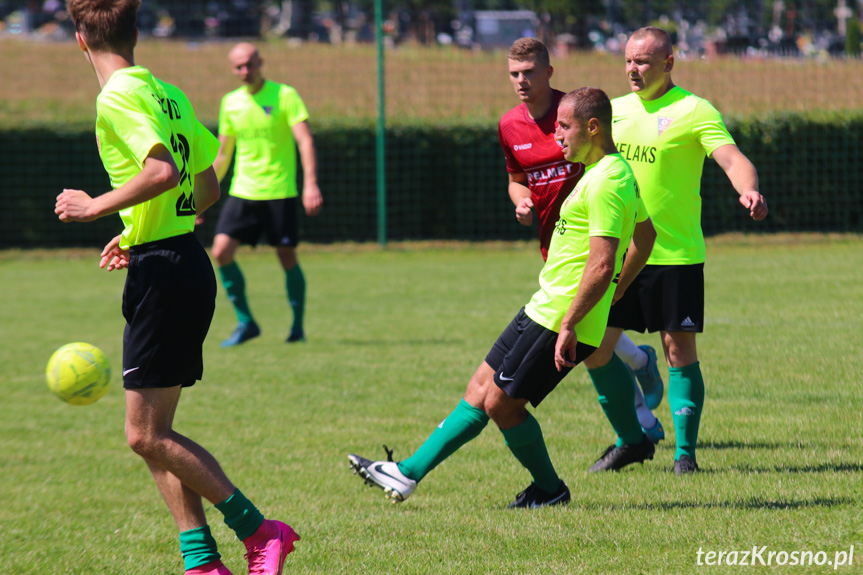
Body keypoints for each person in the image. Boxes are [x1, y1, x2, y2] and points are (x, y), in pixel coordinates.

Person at [55, 2, 298, 573]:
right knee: (154, 430)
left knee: (144, 435)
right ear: (136, 33)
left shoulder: (115, 96)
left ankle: (262, 531)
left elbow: (161, 171)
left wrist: (96, 207)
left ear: (79, 41)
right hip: (177, 259)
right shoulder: (169, 92)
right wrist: (136, 230)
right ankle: (201, 562)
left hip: (165, 273)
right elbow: (206, 187)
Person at [349, 87, 652, 508]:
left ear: (593, 127)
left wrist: (575, 319)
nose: (557, 136)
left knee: (502, 405)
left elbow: (602, 263)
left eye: (564, 127)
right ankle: (406, 473)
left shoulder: (606, 181)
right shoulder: (606, 173)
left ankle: (550, 490)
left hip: (560, 317)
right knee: (480, 387)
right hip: (544, 306)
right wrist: (611, 294)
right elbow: (646, 235)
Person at [596, 26, 769, 475]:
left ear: (669, 63)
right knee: (595, 350)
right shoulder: (612, 112)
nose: (634, 70)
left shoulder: (693, 110)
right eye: (629, 61)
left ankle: (685, 455)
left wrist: (748, 191)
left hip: (676, 255)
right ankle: (631, 437)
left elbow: (732, 159)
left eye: (644, 62)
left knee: (679, 351)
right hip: (622, 257)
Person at [499, 37, 666, 444]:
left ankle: (640, 426)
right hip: (555, 245)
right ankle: (639, 363)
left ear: (549, 72)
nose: (521, 81)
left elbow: (608, 160)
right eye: (514, 74)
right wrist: (522, 202)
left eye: (529, 73)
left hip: (594, 246)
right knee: (593, 346)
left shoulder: (574, 113)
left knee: (590, 344)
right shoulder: (509, 125)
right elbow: (516, 181)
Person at [211, 42, 323, 347]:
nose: (245, 71)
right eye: (239, 67)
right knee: (220, 252)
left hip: (279, 191)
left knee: (286, 255)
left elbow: (305, 141)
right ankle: (246, 322)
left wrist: (310, 183)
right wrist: (200, 198)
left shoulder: (285, 95)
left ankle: (297, 328)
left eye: (250, 64)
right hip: (243, 191)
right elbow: (222, 155)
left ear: (261, 61)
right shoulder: (230, 102)